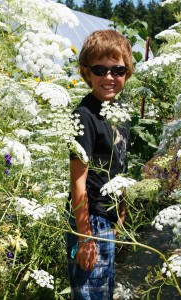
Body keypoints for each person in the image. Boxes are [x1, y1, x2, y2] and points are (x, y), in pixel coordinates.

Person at [65, 29, 133, 300]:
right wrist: (85, 238)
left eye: (117, 70)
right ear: (86, 72)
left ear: (127, 72)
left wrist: (122, 210)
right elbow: (78, 181)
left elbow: (120, 167)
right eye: (99, 70)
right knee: (89, 291)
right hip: (90, 219)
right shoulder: (84, 115)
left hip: (109, 218)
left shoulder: (120, 115)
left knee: (103, 288)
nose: (109, 77)